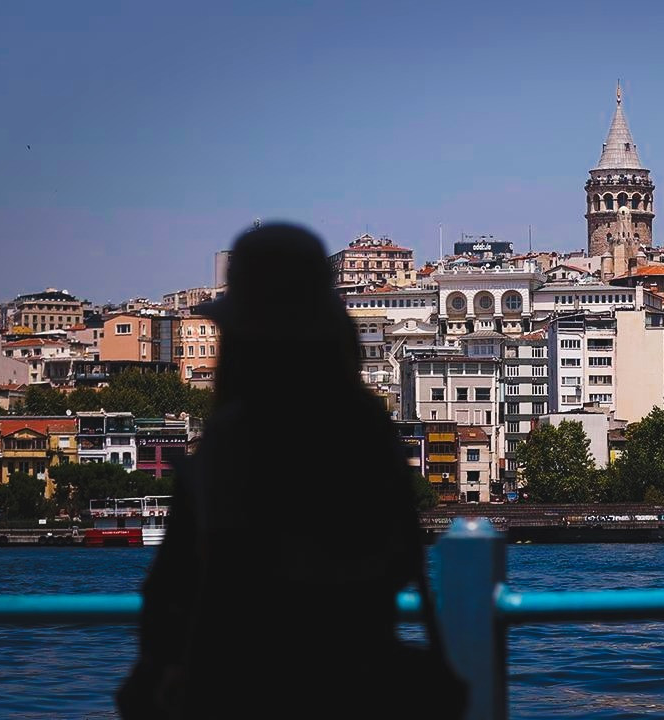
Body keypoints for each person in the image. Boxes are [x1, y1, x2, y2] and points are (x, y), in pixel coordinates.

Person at [116, 223, 446, 719]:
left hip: (239, 685)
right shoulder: (365, 425)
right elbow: (402, 559)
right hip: (358, 681)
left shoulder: (234, 433)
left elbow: (176, 588)